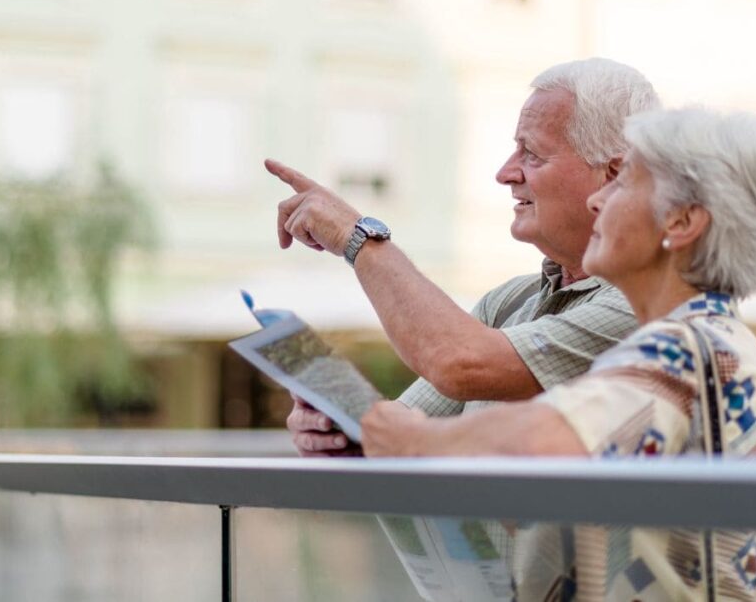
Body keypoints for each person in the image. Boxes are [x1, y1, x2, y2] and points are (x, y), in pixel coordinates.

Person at [361, 107, 756, 601]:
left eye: (623, 184)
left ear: (681, 222)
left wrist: (419, 441)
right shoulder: (723, 343)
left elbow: (545, 440)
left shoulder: (682, 350)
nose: (597, 200)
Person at [267, 58, 660, 456]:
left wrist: (358, 236)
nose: (505, 173)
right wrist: (340, 430)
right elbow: (396, 434)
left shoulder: (645, 308)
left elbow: (459, 364)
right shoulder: (509, 302)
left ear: (615, 173)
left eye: (532, 154)